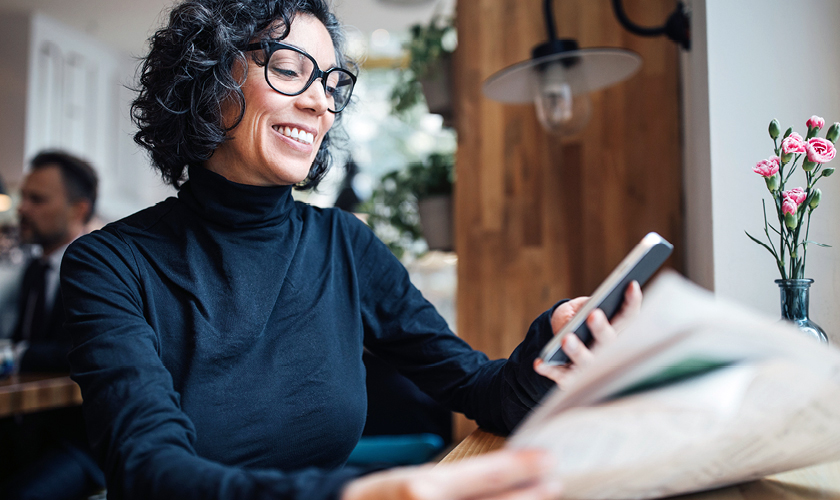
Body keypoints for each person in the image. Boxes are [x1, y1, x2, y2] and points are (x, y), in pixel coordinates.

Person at [59, 1, 642, 499]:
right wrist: (352, 491)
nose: (321, 104)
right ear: (210, 84)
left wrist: (554, 343)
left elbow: (479, 390)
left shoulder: (345, 244)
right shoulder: (108, 265)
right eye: (289, 70)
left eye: (332, 83)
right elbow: (151, 469)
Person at [0, 150, 104, 499]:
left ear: (79, 210)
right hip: (26, 430)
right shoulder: (34, 269)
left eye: (37, 199)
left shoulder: (100, 275)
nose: (22, 208)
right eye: (24, 197)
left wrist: (13, 354)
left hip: (79, 443)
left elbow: (82, 353)